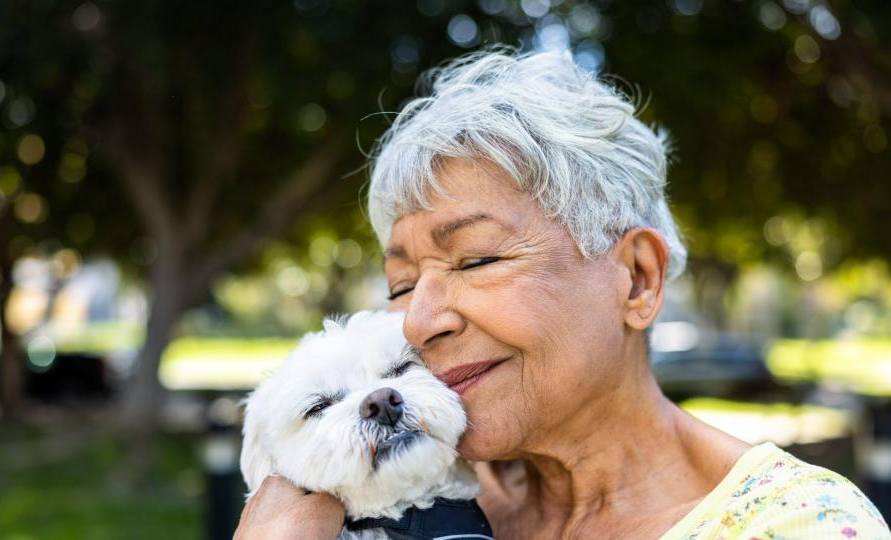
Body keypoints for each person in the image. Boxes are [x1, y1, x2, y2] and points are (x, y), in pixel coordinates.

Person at [234, 48, 890, 539]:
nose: (419, 320)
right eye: (402, 284)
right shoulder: (388, 494)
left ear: (637, 278)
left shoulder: (800, 525)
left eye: (477, 259)